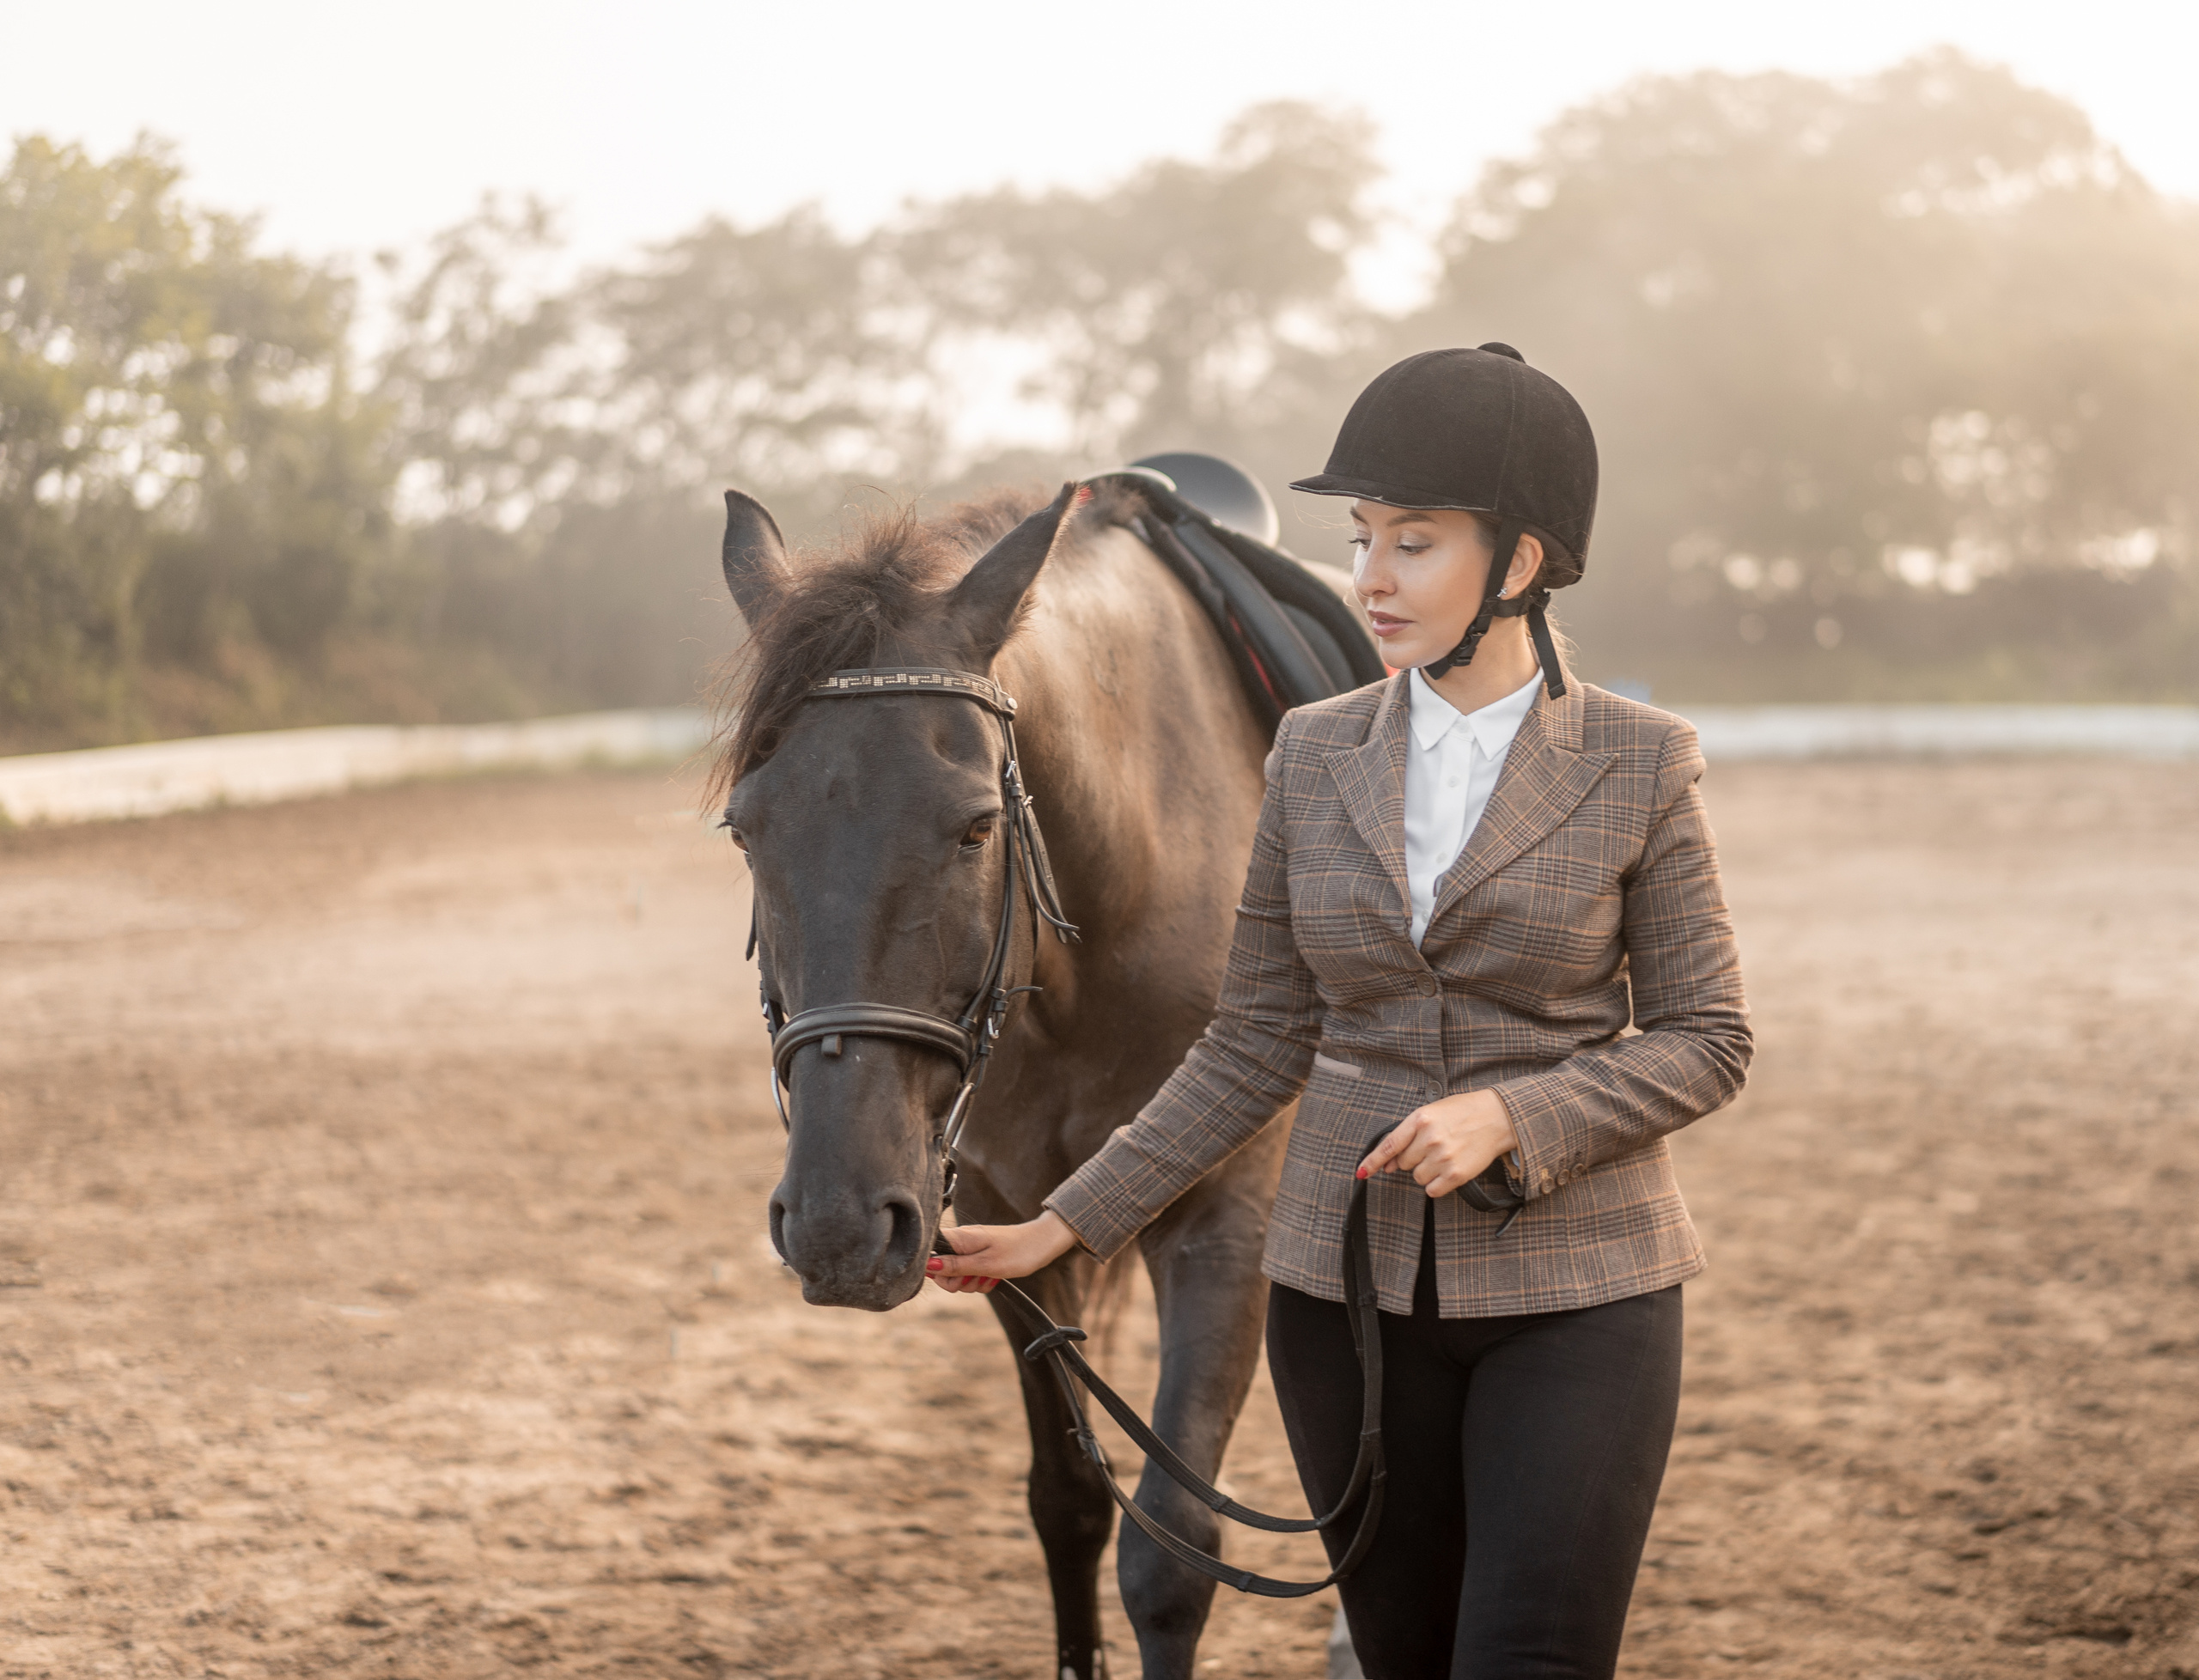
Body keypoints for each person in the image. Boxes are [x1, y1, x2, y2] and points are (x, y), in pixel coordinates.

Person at [928, 344, 1752, 1679]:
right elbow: (1253, 1041)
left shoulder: (1639, 762)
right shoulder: (1314, 754)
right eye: (1363, 538)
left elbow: (1708, 1038)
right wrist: (1065, 1224)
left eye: (1413, 543)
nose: (1370, 575)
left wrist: (1516, 1115)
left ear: (1521, 561)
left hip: (1582, 1291)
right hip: (1346, 1302)